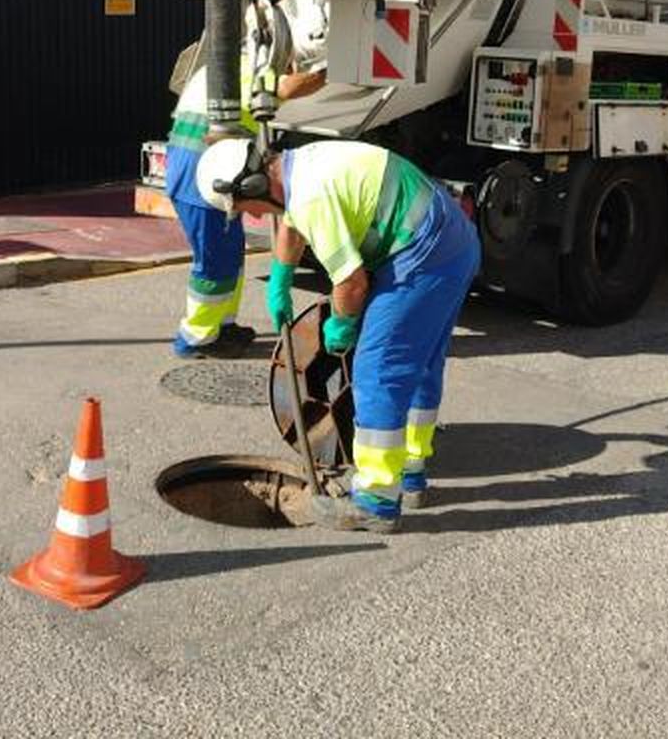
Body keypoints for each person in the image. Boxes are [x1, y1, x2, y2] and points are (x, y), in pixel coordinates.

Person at [194, 137, 480, 532]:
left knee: (378, 370)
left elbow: (352, 284)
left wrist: (342, 326)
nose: (253, 217)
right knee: (421, 365)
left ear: (255, 187)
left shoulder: (310, 194)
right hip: (455, 245)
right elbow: (291, 221)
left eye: (243, 208)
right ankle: (410, 474)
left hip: (422, 255)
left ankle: (376, 499)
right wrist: (281, 278)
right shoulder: (298, 167)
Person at [164, 55, 323, 358]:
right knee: (215, 264)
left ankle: (222, 326)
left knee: (229, 254)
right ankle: (195, 337)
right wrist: (331, 71)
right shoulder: (248, 71)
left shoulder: (224, 66)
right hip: (205, 178)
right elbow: (291, 87)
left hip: (202, 170)